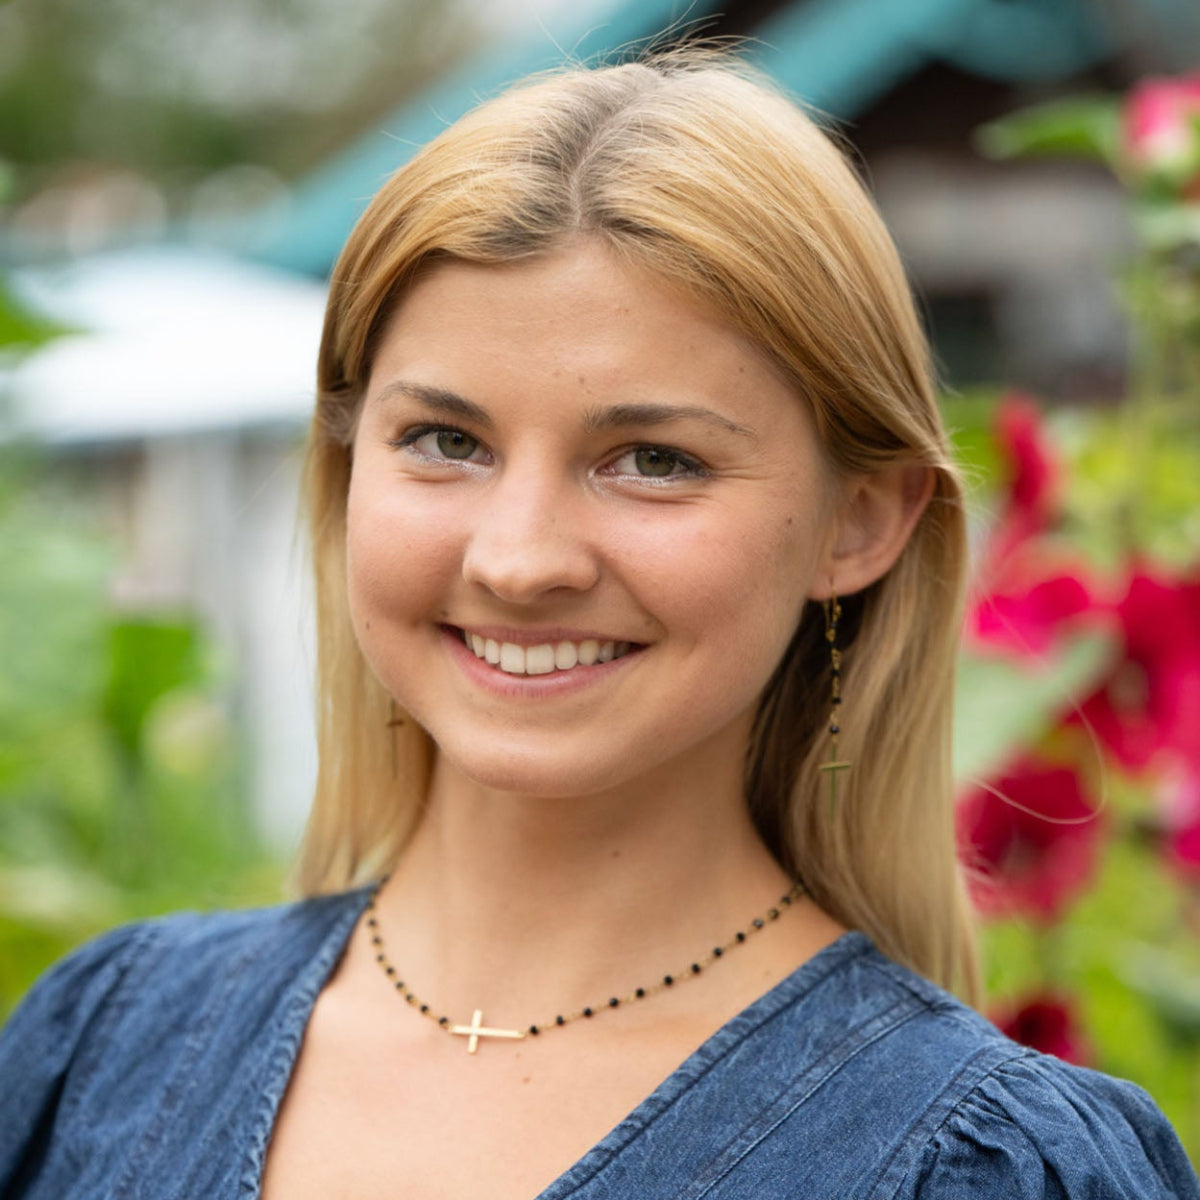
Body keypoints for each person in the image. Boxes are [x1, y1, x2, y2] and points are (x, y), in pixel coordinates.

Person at [1, 49, 1197, 1200]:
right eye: (446, 441)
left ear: (860, 521)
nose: (519, 561)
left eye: (653, 460)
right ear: (348, 465)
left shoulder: (987, 1168)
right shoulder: (103, 1049)